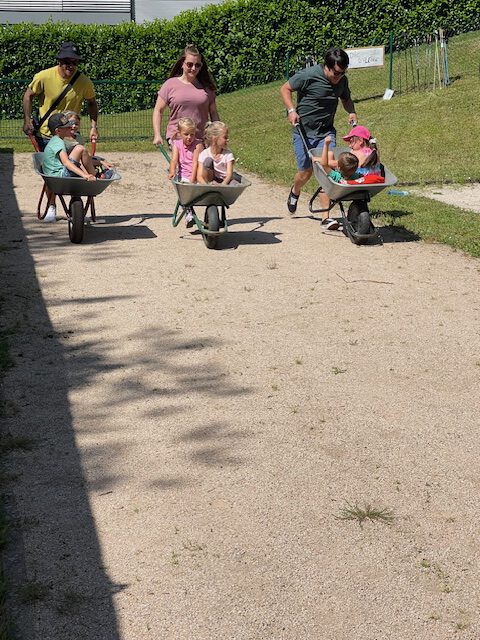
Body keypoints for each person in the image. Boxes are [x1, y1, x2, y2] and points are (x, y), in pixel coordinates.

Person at [280, 47, 357, 230]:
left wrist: (351, 111)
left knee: (326, 170)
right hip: (303, 132)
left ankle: (325, 217)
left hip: (326, 132)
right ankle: (295, 190)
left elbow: (346, 98)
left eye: (343, 73)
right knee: (305, 172)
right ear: (326, 67)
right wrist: (291, 110)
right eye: (336, 73)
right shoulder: (308, 75)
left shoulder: (342, 80)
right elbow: (285, 88)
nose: (339, 77)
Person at [22, 42, 99, 151]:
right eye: (67, 62)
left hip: (71, 134)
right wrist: (27, 120)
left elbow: (92, 103)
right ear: (60, 61)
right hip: (47, 136)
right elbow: (28, 96)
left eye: (75, 62)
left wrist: (93, 127)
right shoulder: (43, 77)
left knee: (74, 161)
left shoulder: (84, 82)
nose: (71, 66)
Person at [152, 44, 219, 147]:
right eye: (189, 64)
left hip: (200, 140)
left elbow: (213, 113)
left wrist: (217, 134)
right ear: (182, 63)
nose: (193, 68)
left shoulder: (207, 88)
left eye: (197, 65)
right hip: (177, 139)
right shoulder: (170, 84)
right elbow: (158, 110)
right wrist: (157, 134)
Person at [42, 113, 96, 221]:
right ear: (58, 131)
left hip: (55, 177)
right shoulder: (58, 142)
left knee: (80, 150)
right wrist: (84, 175)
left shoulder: (56, 140)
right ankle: (94, 174)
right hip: (59, 177)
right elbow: (66, 163)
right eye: (67, 127)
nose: (70, 127)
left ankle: (77, 214)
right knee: (80, 149)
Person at [197, 121, 235, 185]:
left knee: (234, 184)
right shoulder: (204, 154)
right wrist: (205, 186)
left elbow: (229, 175)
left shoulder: (228, 155)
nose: (227, 140)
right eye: (225, 137)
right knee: (208, 160)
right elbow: (199, 176)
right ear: (214, 138)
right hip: (209, 181)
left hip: (224, 182)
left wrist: (222, 186)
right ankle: (209, 185)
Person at [167, 117, 203, 183]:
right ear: (179, 133)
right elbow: (174, 160)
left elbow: (195, 163)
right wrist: (172, 171)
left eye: (192, 134)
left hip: (195, 177)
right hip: (183, 176)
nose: (189, 137)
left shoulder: (197, 145)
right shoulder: (177, 144)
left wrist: (192, 181)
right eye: (186, 134)